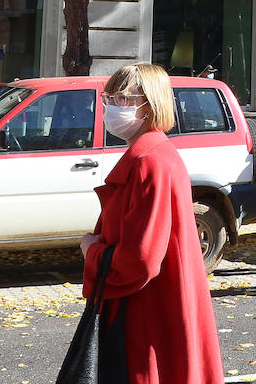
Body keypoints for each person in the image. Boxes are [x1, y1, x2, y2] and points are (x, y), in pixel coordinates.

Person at [75, 64, 222, 382]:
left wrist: (93, 251)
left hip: (143, 319)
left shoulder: (148, 162)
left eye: (122, 98)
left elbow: (139, 261)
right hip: (153, 313)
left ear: (149, 102)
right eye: (108, 97)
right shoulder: (154, 155)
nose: (111, 106)